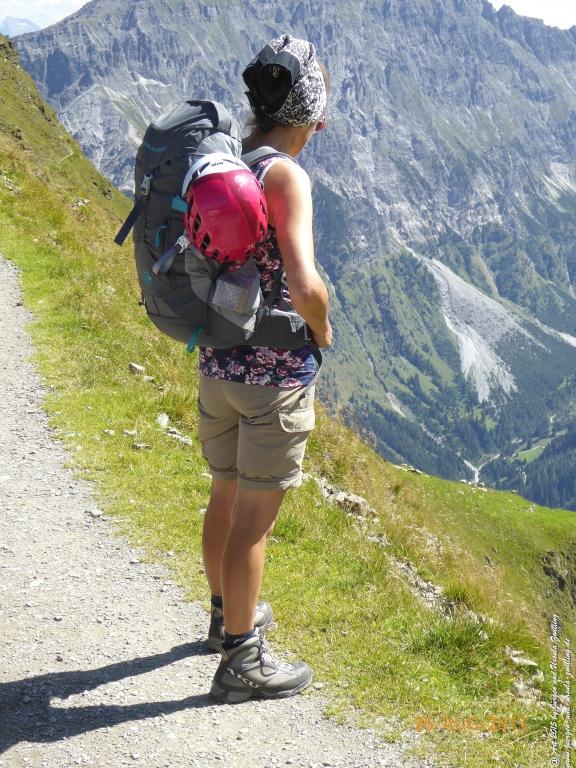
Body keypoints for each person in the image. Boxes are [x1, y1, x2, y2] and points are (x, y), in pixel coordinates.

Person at [198, 34, 332, 704]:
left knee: (224, 494)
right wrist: (323, 326)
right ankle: (242, 662)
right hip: (271, 376)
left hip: (217, 363)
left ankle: (226, 615)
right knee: (255, 515)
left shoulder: (228, 161)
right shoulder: (284, 174)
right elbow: (304, 284)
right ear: (310, 115)